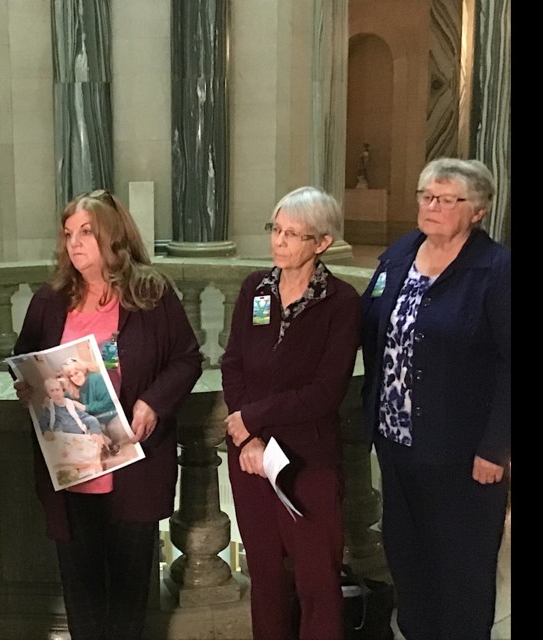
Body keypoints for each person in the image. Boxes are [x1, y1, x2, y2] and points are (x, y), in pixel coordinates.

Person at [13, 188, 202, 639]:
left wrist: (153, 402)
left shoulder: (151, 295)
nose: (74, 242)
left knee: (127, 597)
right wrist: (30, 386)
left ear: (112, 238)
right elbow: (24, 360)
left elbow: (186, 359)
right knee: (82, 595)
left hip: (133, 467)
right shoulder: (49, 300)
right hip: (71, 469)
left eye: (86, 233)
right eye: (68, 233)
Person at [361, 158, 510, 640]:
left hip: (463, 452)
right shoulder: (401, 253)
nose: (432, 206)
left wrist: (495, 446)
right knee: (409, 559)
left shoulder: (496, 270)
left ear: (479, 211)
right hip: (397, 443)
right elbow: (368, 325)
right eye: (426, 195)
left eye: (448, 200)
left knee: (461, 568)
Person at [221, 186, 362, 640]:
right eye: (275, 229)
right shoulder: (254, 290)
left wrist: (255, 418)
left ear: (321, 243)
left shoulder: (341, 303)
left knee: (317, 579)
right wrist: (249, 439)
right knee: (265, 576)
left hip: (308, 457)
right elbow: (233, 365)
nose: (278, 241)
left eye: (292, 234)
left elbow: (324, 391)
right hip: (250, 456)